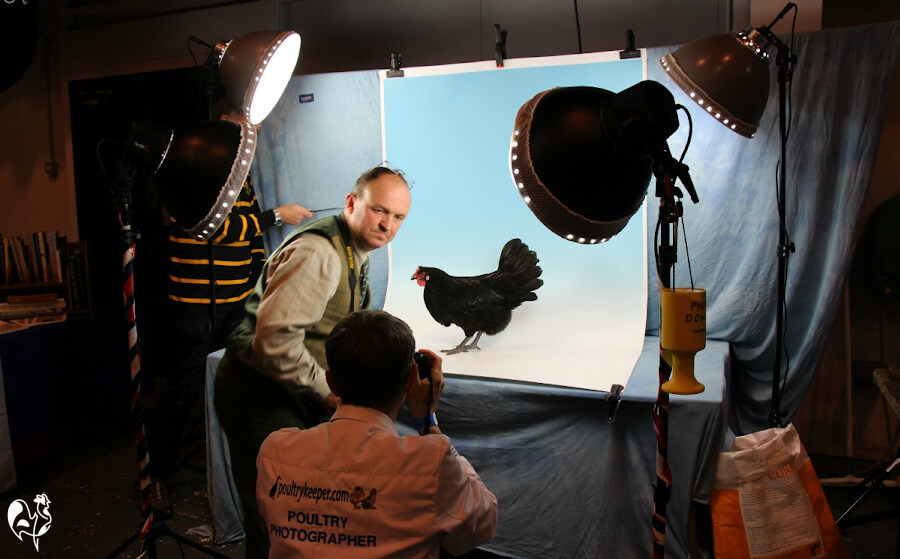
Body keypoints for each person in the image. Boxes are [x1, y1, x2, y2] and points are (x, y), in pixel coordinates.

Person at [214, 166, 412, 558]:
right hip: (259, 393)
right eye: (379, 211)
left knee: (302, 521)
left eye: (398, 217)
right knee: (276, 524)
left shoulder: (355, 246)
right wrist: (329, 395)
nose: (387, 225)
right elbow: (275, 342)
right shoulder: (319, 252)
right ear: (352, 203)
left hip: (290, 393)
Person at [150, 105, 313, 519]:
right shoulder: (193, 172)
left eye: (252, 136)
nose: (249, 145)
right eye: (243, 135)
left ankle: (226, 471)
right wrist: (277, 217)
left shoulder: (243, 180)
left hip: (232, 305)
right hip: (194, 307)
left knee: (232, 385)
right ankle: (156, 476)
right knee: (184, 388)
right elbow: (218, 231)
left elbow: (248, 245)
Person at [256, 309, 498, 558]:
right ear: (411, 379)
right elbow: (479, 526)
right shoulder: (430, 462)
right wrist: (428, 422)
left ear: (331, 383)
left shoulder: (275, 451)